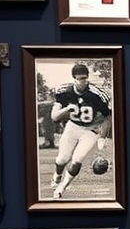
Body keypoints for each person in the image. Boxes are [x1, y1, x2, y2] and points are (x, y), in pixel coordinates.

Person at [48, 62, 112, 200]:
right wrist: (66, 109)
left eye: (85, 78)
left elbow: (108, 116)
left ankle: (61, 188)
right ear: (74, 79)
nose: (83, 82)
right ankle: (57, 176)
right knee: (62, 159)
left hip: (90, 130)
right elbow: (54, 117)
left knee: (77, 160)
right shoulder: (64, 91)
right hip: (73, 126)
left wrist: (102, 137)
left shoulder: (97, 94)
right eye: (79, 78)